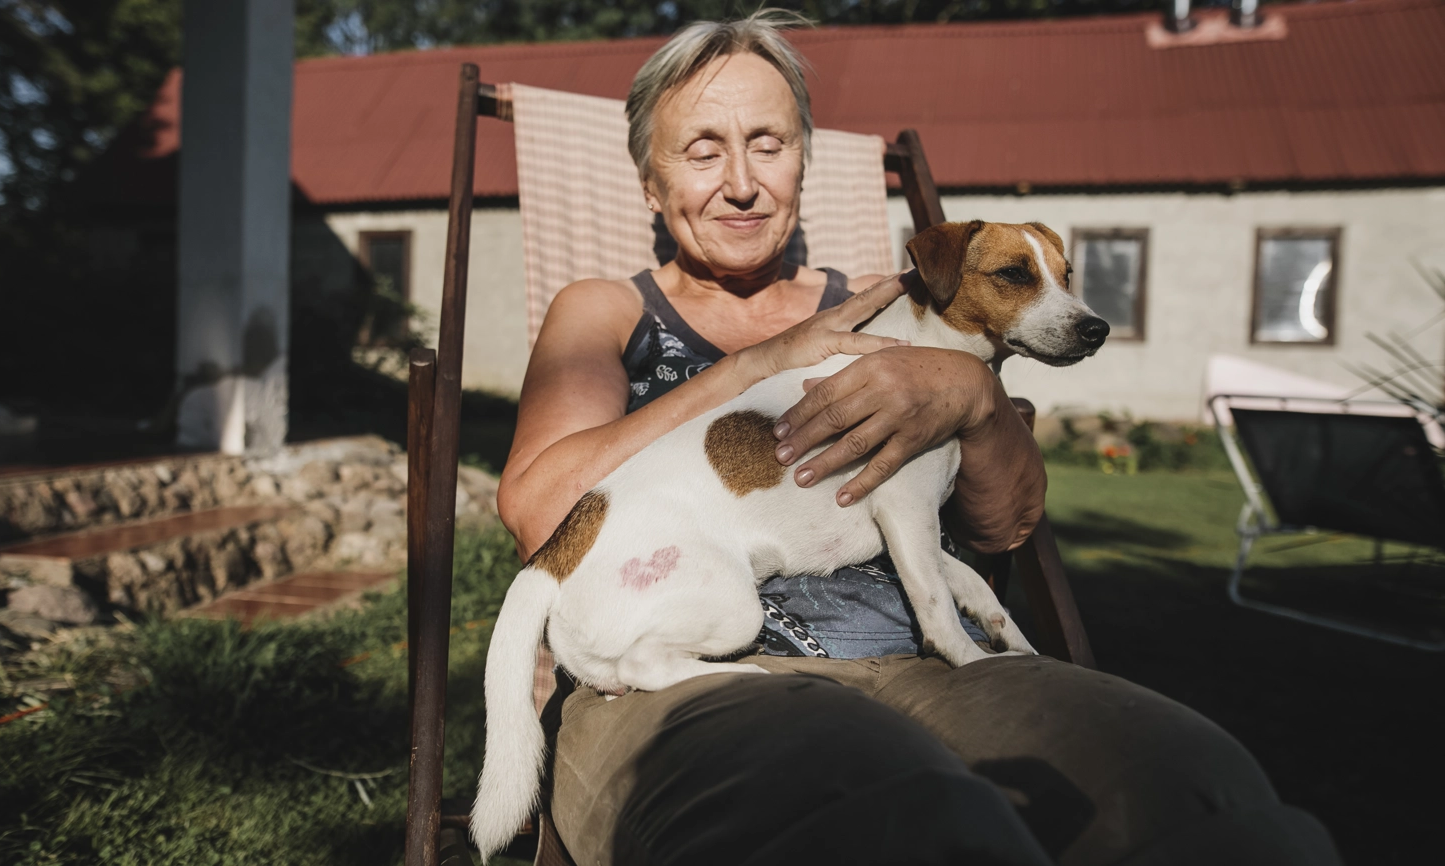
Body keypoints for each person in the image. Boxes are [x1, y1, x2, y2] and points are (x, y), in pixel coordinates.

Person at [497, 12, 1341, 866]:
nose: (744, 182)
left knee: (1193, 786)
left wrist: (975, 393)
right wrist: (753, 366)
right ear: (650, 181)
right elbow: (540, 515)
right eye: (703, 150)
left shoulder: (910, 303)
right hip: (701, 680)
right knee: (891, 815)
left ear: (803, 161)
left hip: (929, 666)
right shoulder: (606, 313)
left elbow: (1003, 527)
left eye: (769, 142)